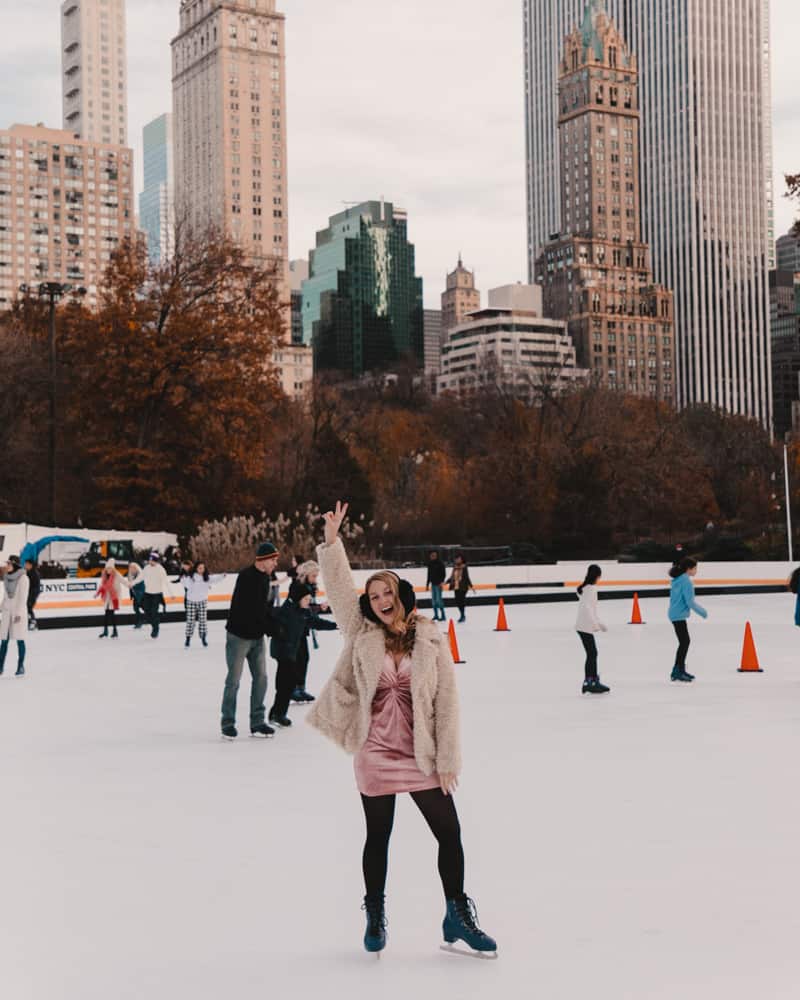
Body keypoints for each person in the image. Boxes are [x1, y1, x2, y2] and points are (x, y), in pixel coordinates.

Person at [307, 501, 497, 958]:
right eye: (372, 597)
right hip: (374, 750)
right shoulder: (360, 632)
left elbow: (446, 702)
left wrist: (448, 758)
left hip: (420, 752)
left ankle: (457, 914)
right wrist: (332, 544)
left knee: (449, 833)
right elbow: (337, 588)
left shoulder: (429, 636)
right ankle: (374, 914)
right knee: (379, 836)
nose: (380, 601)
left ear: (399, 594)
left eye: (385, 593)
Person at [221, 541, 282, 740]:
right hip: (239, 637)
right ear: (263, 560)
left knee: (262, 679)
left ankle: (257, 722)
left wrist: (272, 626)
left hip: (256, 637)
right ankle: (227, 723)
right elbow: (250, 609)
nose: (275, 564)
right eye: (273, 560)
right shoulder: (246, 577)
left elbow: (264, 608)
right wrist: (271, 626)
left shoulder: (266, 578)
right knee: (234, 681)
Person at [269, 579, 337, 728]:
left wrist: (336, 625)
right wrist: (283, 642)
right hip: (283, 652)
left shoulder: (302, 612)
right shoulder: (287, 612)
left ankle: (276, 712)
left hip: (291, 652)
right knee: (285, 683)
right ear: (298, 598)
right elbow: (274, 629)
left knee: (287, 682)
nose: (308, 602)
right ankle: (278, 714)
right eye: (306, 599)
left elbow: (317, 623)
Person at [291, 558, 331, 704]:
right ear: (306, 574)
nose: (315, 579)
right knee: (297, 658)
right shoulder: (298, 587)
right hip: (294, 628)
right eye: (313, 576)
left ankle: (300, 688)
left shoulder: (308, 587)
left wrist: (319, 607)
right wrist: (319, 608)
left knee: (303, 657)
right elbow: (302, 610)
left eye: (316, 576)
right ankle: (294, 689)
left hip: (302, 627)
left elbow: (307, 610)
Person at [668, 556, 708, 682]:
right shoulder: (686, 582)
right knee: (684, 642)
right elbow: (690, 602)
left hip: (675, 614)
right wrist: (703, 612)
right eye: (695, 568)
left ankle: (679, 669)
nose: (696, 571)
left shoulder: (678, 579)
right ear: (688, 569)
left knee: (684, 642)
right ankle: (677, 671)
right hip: (678, 615)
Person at [575, 564, 609, 694]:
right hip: (585, 626)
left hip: (582, 625)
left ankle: (591, 680)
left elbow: (590, 609)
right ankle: (590, 682)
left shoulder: (585, 588)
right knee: (592, 653)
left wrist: (599, 623)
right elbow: (588, 608)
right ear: (597, 576)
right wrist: (595, 624)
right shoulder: (591, 589)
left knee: (592, 653)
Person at [181, 561, 225, 648]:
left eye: (203, 568)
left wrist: (222, 576)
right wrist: (183, 579)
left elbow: (215, 579)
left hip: (202, 601)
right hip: (191, 601)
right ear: (196, 568)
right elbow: (186, 584)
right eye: (200, 568)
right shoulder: (191, 577)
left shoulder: (206, 578)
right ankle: (188, 638)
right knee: (190, 621)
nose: (201, 570)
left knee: (203, 621)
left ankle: (203, 638)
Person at [0, 555, 30, 676]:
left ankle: (20, 666)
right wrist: (1, 607)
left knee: (20, 640)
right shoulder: (6, 577)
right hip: (7, 613)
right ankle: (0, 666)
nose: (6, 566)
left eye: (9, 564)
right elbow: (6, 596)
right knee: (4, 641)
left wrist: (18, 613)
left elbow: (23, 597)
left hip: (18, 613)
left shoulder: (23, 578)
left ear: (15, 565)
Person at [95, 559, 126, 639]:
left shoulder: (117, 574)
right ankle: (105, 631)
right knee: (106, 615)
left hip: (114, 597)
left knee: (111, 615)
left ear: (113, 568)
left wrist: (130, 585)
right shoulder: (104, 575)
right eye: (107, 568)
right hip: (107, 597)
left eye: (110, 568)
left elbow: (123, 581)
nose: (109, 570)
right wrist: (97, 593)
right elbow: (102, 585)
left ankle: (115, 631)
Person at [142, 553, 170, 638]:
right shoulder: (146, 568)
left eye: (151, 560)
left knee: (154, 612)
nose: (150, 561)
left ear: (155, 561)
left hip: (157, 594)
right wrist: (132, 583)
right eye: (149, 560)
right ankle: (155, 625)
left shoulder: (160, 569)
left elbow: (166, 581)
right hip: (147, 593)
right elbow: (140, 577)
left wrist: (171, 593)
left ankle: (155, 629)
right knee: (146, 611)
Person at [447, 555, 474, 624]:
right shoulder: (455, 568)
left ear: (462, 560)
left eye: (459, 559)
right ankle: (462, 614)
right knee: (457, 601)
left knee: (461, 600)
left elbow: (467, 577)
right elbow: (452, 577)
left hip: (463, 587)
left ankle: (462, 615)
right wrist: (446, 582)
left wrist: (471, 586)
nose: (457, 560)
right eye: (456, 559)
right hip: (456, 586)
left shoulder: (464, 567)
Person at [426, 550, 447, 622]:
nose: (433, 556)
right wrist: (427, 584)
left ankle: (443, 615)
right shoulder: (430, 564)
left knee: (439, 600)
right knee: (433, 601)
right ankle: (436, 615)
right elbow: (429, 574)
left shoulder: (440, 563)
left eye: (434, 555)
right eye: (432, 555)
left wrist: (442, 582)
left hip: (438, 584)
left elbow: (443, 574)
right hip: (433, 584)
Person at [127, 562, 146, 629]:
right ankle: (139, 622)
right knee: (136, 608)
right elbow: (130, 585)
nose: (131, 569)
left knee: (144, 608)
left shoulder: (140, 574)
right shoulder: (130, 575)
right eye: (130, 568)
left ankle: (151, 619)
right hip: (135, 595)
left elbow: (138, 584)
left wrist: (132, 585)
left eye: (133, 568)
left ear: (136, 568)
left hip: (141, 594)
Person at [24, 559, 41, 631]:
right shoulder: (29, 572)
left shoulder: (33, 573)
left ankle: (33, 622)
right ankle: (30, 622)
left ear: (30, 565)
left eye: (26, 564)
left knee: (29, 607)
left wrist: (30, 595)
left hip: (33, 593)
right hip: (30, 593)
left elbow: (33, 586)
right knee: (27, 608)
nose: (25, 565)